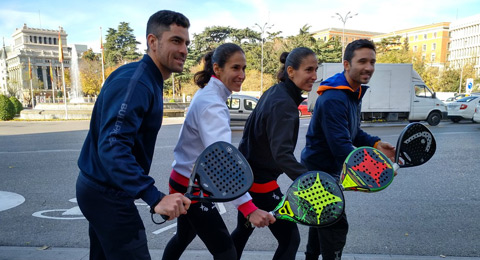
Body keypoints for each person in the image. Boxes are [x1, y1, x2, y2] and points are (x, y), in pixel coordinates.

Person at [76, 10, 191, 260]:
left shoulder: (145, 78)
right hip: (106, 193)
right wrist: (154, 196)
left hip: (102, 189)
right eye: (175, 40)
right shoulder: (138, 82)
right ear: (152, 42)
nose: (184, 49)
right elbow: (113, 144)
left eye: (186, 42)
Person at [162, 43, 275, 260]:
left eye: (243, 68)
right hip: (193, 187)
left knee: (183, 237)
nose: (241, 74)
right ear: (217, 69)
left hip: (183, 179)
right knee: (226, 253)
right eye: (235, 68)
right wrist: (249, 208)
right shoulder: (213, 104)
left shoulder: (208, 94)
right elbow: (222, 164)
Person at [301, 39, 396, 260]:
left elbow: (352, 133)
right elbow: (341, 147)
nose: (369, 67)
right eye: (362, 61)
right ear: (346, 64)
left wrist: (374, 143)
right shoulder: (336, 97)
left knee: (320, 225)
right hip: (320, 174)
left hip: (326, 171)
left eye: (372, 62)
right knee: (334, 227)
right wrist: (381, 168)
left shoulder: (353, 91)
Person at [231, 47, 318, 260]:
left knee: (242, 232)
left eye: (316, 70)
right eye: (308, 70)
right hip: (261, 184)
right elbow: (283, 155)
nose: (314, 76)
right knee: (290, 239)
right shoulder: (285, 105)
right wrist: (312, 183)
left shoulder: (274, 91)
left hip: (247, 178)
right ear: (291, 71)